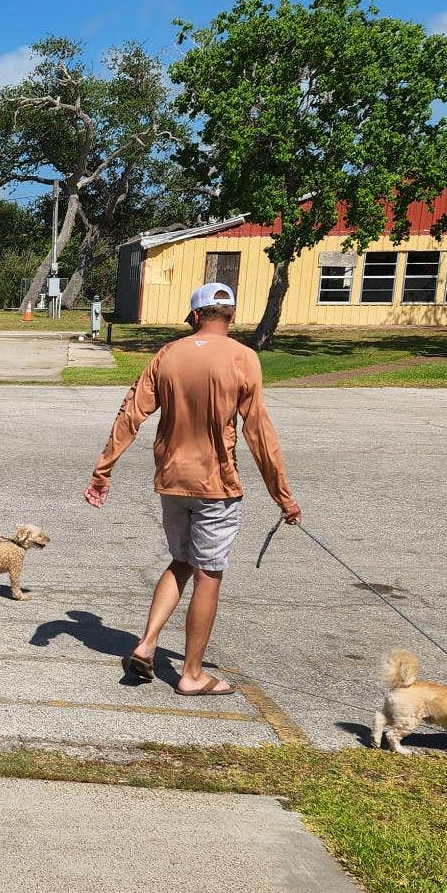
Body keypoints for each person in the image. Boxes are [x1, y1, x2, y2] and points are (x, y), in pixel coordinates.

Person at [85, 282, 301, 696]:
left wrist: (103, 471)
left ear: (195, 314)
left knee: (181, 560)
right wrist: (283, 496)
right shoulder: (243, 358)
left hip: (172, 481)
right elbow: (259, 433)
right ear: (231, 316)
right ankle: (192, 674)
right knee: (208, 574)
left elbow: (131, 414)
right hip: (216, 486)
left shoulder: (167, 355)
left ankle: (147, 644)